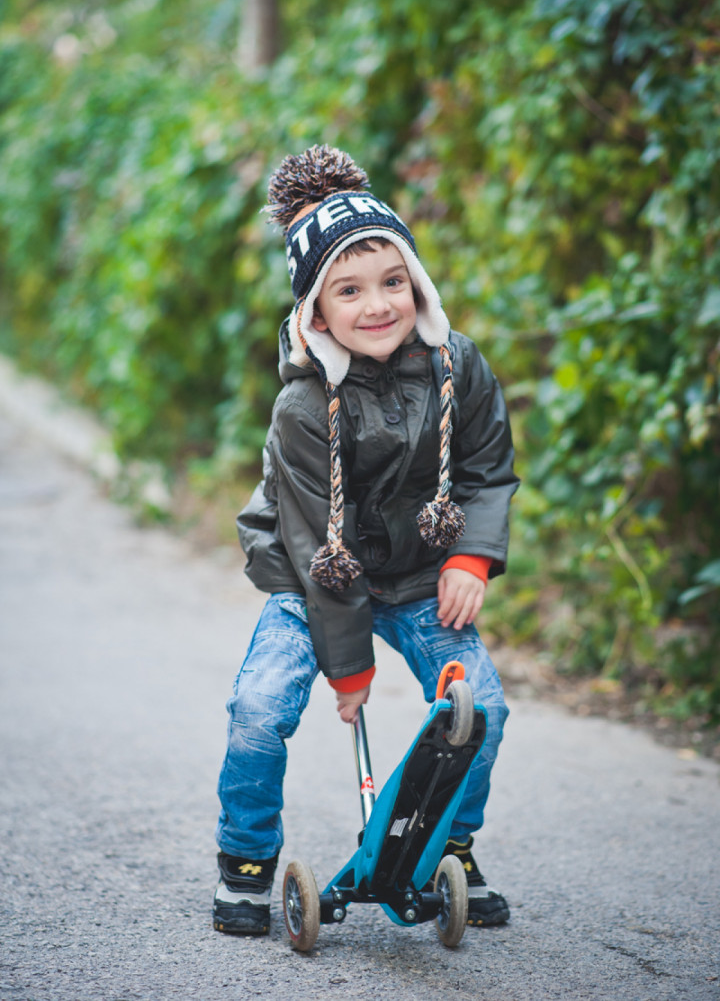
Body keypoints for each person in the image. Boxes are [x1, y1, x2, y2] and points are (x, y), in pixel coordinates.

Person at [213, 144, 520, 936]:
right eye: (349, 291)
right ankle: (244, 860)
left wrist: (470, 557)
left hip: (418, 575)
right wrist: (347, 670)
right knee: (258, 707)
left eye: (393, 281)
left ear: (417, 280)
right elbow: (320, 550)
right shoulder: (303, 411)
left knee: (478, 706)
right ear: (316, 313)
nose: (378, 304)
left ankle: (450, 846)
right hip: (313, 576)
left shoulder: (459, 367)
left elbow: (487, 467)